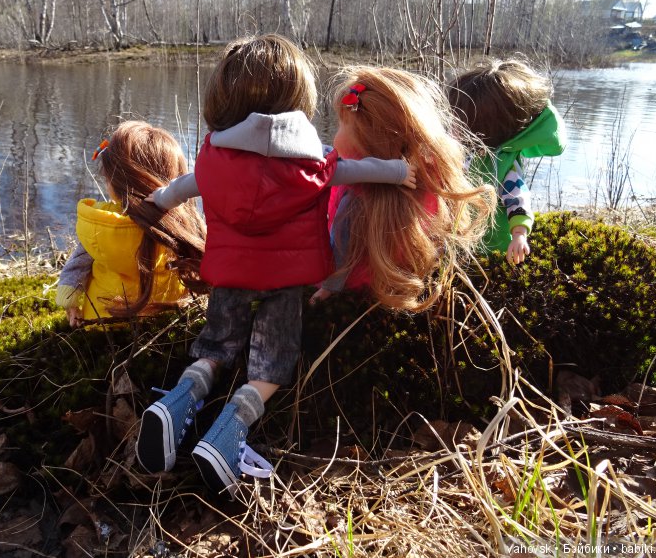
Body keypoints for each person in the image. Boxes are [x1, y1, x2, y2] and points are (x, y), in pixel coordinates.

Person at [135, 34, 416, 498]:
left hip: (229, 275)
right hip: (287, 283)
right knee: (272, 360)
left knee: (216, 345)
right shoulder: (316, 166)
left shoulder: (213, 161)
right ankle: (229, 431)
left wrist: (155, 204)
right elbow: (360, 170)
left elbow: (181, 187)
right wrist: (402, 173)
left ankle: (181, 400)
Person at [310, 66, 494, 309]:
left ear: (368, 139)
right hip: (404, 279)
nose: (335, 136)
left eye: (342, 125)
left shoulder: (355, 195)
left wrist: (327, 290)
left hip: (356, 287)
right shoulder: (430, 179)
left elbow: (341, 251)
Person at [56, 121, 207, 325]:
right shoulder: (183, 225)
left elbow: (76, 266)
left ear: (115, 183)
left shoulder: (100, 224)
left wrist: (69, 299)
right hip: (169, 320)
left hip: (102, 322)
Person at [447, 58, 567, 265]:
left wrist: (519, 234)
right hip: (454, 243)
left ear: (483, 130)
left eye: (460, 121)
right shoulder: (456, 151)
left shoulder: (502, 165)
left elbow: (517, 199)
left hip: (492, 247)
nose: (453, 127)